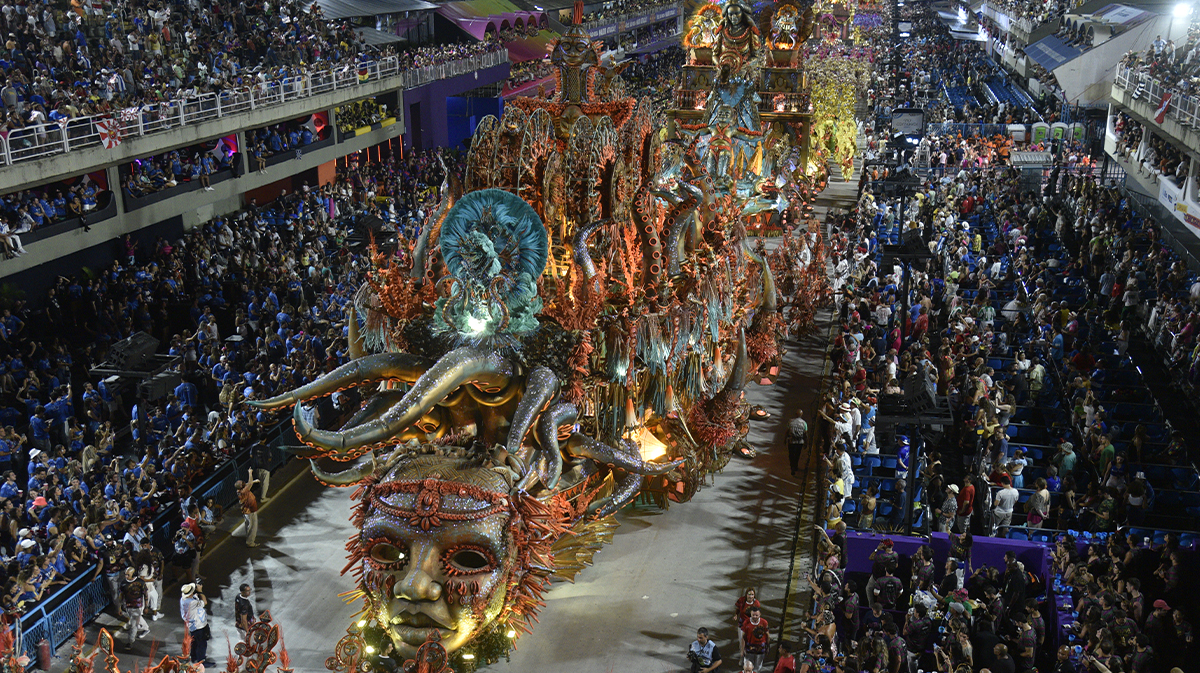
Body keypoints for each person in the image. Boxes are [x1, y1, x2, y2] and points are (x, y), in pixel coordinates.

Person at [180, 582, 215, 668]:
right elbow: (204, 602)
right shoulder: (192, 603)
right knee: (202, 643)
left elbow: (194, 598)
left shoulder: (183, 599)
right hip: (198, 626)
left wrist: (195, 594)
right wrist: (200, 591)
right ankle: (201, 661)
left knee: (194, 642)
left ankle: (194, 657)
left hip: (192, 626)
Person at [119, 566, 149, 650]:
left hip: (138, 606)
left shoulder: (140, 582)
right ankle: (146, 628)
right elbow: (121, 595)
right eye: (125, 574)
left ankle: (130, 641)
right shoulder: (123, 583)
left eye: (128, 575)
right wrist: (119, 607)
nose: (126, 576)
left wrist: (146, 606)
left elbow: (145, 594)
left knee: (133, 625)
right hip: (128, 606)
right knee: (135, 618)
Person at [236, 469, 260, 547]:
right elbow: (249, 483)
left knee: (248, 525)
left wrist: (254, 481)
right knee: (253, 526)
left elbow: (248, 484)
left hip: (246, 511)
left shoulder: (240, 491)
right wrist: (250, 473)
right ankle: (250, 542)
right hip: (250, 510)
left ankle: (248, 538)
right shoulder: (243, 492)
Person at [741, 606, 770, 671]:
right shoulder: (746, 622)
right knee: (747, 665)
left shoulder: (764, 622)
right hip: (749, 647)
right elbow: (743, 637)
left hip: (761, 647)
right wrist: (742, 649)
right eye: (753, 615)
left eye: (756, 615)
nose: (754, 617)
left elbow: (767, 635)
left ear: (760, 614)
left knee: (758, 666)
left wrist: (767, 646)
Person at [787, 410, 807, 476]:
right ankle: (795, 465)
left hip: (791, 441)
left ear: (796, 414)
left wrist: (785, 439)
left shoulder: (790, 421)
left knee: (791, 454)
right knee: (797, 454)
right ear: (801, 415)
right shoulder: (804, 423)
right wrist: (806, 442)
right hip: (799, 442)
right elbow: (805, 434)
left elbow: (787, 431)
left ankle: (792, 466)